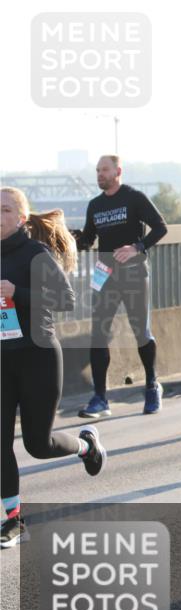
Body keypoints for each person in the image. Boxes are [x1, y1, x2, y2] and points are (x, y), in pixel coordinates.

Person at [1, 188, 107, 547]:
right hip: (2, 359)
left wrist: (17, 292)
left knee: (38, 444)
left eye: (5, 210)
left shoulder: (36, 254)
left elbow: (66, 299)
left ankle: (86, 446)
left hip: (38, 355)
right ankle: (13, 520)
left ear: (20, 217)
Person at [76, 155, 168, 418]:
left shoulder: (134, 197)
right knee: (98, 334)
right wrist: (68, 238)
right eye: (97, 171)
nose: (99, 174)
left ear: (118, 171)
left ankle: (152, 385)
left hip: (134, 272)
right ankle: (100, 398)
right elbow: (88, 239)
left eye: (104, 170)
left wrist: (136, 247)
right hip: (104, 274)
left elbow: (161, 228)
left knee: (141, 331)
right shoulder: (94, 205)